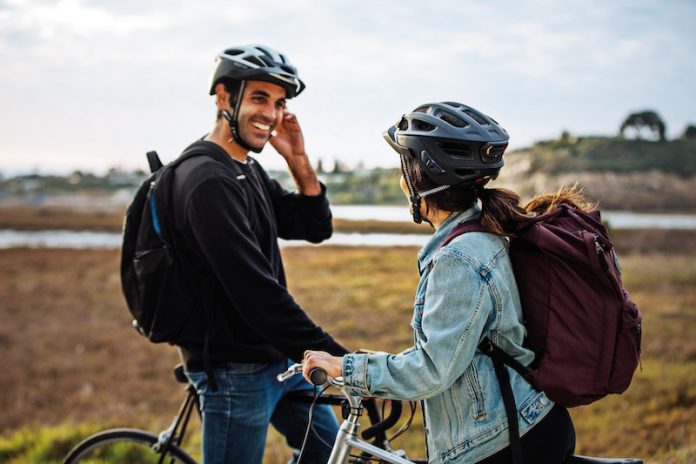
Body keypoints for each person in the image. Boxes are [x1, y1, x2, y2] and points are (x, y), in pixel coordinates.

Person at [302, 102, 578, 464]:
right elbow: (456, 348)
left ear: (417, 181)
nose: (401, 180)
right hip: (526, 423)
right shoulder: (483, 232)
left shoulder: (458, 258)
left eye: (403, 168)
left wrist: (346, 368)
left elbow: (432, 371)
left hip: (501, 441)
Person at [172, 44, 346, 464]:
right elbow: (256, 293)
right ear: (224, 97)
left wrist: (298, 159)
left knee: (331, 456)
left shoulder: (245, 169)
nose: (270, 113)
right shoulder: (207, 181)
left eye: (279, 103)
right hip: (235, 370)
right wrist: (340, 357)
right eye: (259, 98)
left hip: (280, 359)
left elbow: (314, 227)